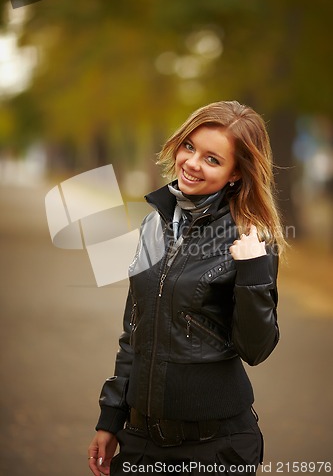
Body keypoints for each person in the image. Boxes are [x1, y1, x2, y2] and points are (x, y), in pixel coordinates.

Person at [88, 101, 286, 475]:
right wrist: (110, 417)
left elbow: (256, 349)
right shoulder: (155, 223)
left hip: (216, 448)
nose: (192, 163)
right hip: (141, 440)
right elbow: (135, 330)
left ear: (236, 174)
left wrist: (254, 271)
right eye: (189, 147)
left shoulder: (250, 237)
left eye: (213, 159)